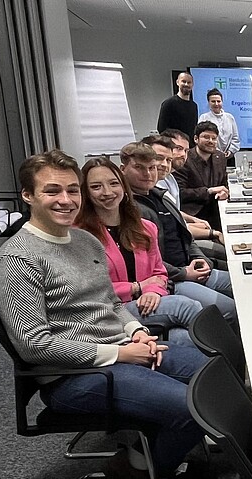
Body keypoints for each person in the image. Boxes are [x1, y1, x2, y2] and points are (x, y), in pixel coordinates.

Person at [0, 149, 207, 479]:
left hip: (119, 349)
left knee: (213, 374)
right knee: (191, 407)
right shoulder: (18, 258)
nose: (66, 200)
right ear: (28, 196)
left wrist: (136, 331)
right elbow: (33, 344)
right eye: (52, 191)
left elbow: (110, 304)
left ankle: (145, 455)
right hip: (72, 375)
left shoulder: (85, 240)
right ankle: (138, 470)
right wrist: (121, 353)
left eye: (73, 190)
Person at [76, 157, 203, 346]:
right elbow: (88, 288)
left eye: (113, 184)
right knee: (186, 306)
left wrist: (153, 290)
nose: (107, 192)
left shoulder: (145, 227)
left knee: (185, 340)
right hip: (112, 309)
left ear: (123, 187)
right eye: (96, 187)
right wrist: (138, 287)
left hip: (147, 304)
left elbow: (158, 272)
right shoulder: (79, 235)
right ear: (85, 192)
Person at [121, 142, 238, 326]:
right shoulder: (130, 210)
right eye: (139, 168)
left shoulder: (159, 195)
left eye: (151, 167)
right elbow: (148, 263)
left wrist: (200, 259)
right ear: (123, 170)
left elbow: (184, 234)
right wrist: (184, 273)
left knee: (245, 283)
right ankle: (235, 353)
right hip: (173, 280)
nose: (148, 173)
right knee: (231, 310)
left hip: (191, 268)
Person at [142, 134, 226, 270]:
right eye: (178, 149)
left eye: (186, 151)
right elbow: (177, 230)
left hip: (184, 251)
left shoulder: (168, 179)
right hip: (175, 268)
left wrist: (192, 219)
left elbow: (174, 214)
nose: (182, 155)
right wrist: (212, 233)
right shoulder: (149, 196)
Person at [174, 121, 230, 231]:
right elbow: (179, 193)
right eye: (206, 137)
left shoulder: (220, 157)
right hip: (193, 213)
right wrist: (208, 191)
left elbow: (224, 185)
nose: (211, 141)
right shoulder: (184, 159)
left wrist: (224, 192)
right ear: (196, 139)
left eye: (214, 138)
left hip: (217, 210)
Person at [197, 88, 240, 167]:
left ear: (222, 102)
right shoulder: (203, 118)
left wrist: (230, 152)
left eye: (218, 101)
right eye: (213, 101)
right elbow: (201, 139)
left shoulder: (230, 117)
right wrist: (217, 153)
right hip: (210, 158)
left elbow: (235, 138)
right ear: (208, 103)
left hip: (228, 158)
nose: (216, 104)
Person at [157, 72, 198, 141]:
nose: (186, 84)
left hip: (189, 146)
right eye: (183, 81)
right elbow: (161, 128)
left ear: (192, 85)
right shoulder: (168, 103)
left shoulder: (194, 106)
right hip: (174, 146)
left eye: (189, 82)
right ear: (177, 82)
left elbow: (193, 128)